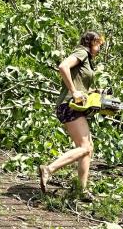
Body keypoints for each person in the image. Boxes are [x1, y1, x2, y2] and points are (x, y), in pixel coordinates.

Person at [38, 31, 105, 201]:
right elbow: (63, 66)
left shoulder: (88, 61)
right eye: (98, 44)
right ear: (91, 42)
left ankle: (81, 190)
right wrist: (74, 91)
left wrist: (92, 93)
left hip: (75, 105)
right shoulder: (82, 52)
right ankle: (49, 169)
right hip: (69, 105)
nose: (99, 48)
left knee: (88, 148)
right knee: (85, 147)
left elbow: (79, 83)